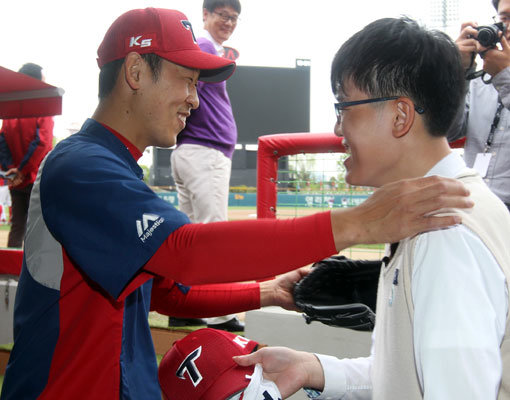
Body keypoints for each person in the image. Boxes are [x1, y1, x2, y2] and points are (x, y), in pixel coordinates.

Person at [0, 9, 473, 400]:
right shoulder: (80, 164)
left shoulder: (117, 167)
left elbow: (170, 293)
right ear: (136, 72)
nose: (194, 98)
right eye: (187, 80)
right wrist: (356, 223)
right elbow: (187, 251)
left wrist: (269, 292)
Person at [235, 17, 510, 399]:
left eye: (343, 106)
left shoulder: (445, 230)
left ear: (400, 116)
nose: (337, 128)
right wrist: (314, 368)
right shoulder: (427, 210)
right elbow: (408, 374)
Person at [170, 0, 243, 332]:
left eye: (233, 18)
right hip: (206, 152)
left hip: (190, 151)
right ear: (206, 15)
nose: (229, 22)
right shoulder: (202, 46)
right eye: (223, 15)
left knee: (189, 237)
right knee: (214, 233)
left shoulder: (207, 49)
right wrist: (228, 55)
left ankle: (183, 305)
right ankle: (219, 314)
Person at [448, 0, 510, 212]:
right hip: (473, 203)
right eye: (505, 18)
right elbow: (447, 132)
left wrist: (504, 76)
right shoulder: (481, 76)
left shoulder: (498, 73)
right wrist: (458, 72)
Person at [0, 62, 54, 248]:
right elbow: (42, 143)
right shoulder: (42, 109)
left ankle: (9, 274)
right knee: (39, 229)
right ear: (35, 82)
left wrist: (11, 170)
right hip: (36, 178)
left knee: (17, 227)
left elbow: (2, 143)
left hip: (15, 180)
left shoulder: (9, 113)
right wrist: (23, 170)